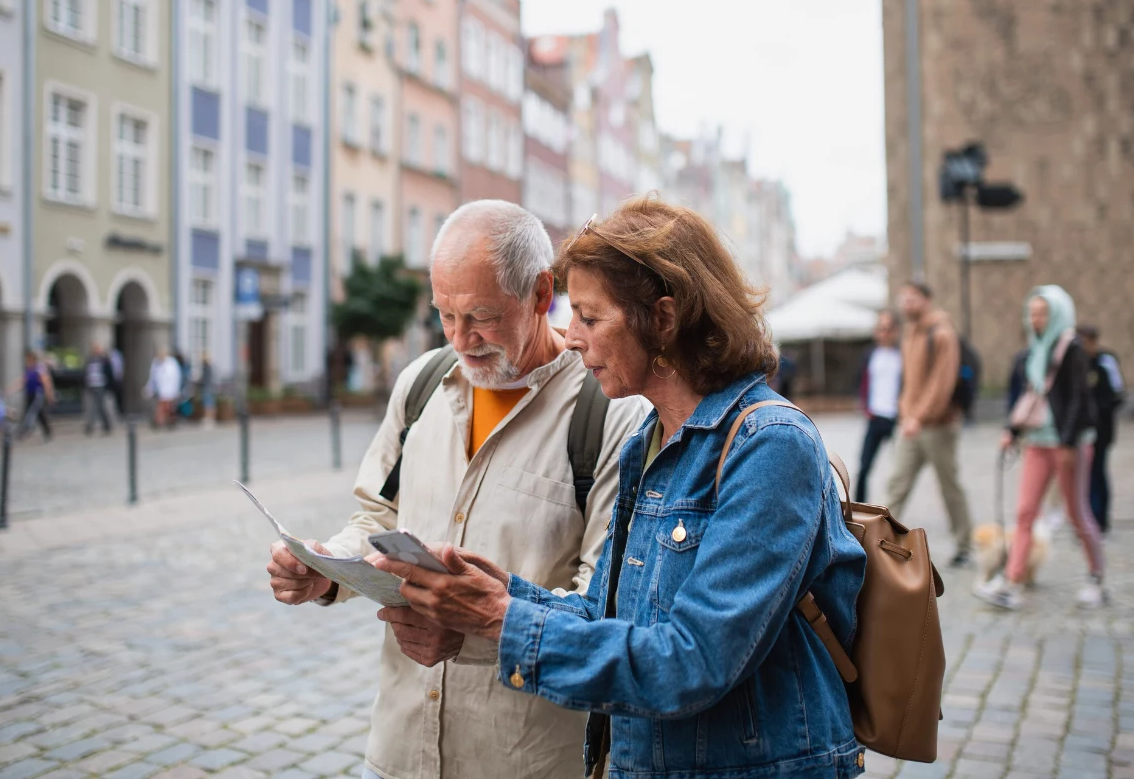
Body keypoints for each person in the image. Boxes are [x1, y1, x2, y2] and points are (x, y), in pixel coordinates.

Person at [368, 198, 867, 779]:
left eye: (588, 317)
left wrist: (501, 619)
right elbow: (602, 614)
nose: (572, 337)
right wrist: (501, 594)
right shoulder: (650, 441)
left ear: (663, 320)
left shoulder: (770, 445)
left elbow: (695, 661)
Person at [264, 200, 650, 779]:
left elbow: (604, 610)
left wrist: (473, 628)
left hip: (524, 760)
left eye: (480, 316)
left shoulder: (611, 415)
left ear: (541, 293)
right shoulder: (420, 385)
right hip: (398, 750)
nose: (461, 339)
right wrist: (327, 567)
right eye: (445, 314)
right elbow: (377, 516)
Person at [977, 286, 1106, 610]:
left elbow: (1079, 397)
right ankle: (1012, 582)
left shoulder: (1072, 347)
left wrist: (1068, 442)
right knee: (1025, 513)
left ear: (1058, 314)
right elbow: (1032, 395)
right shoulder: (1034, 349)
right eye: (1032, 313)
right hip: (1037, 441)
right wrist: (1012, 430)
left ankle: (1096, 578)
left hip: (1067, 444)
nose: (1036, 319)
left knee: (1077, 513)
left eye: (1043, 313)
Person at [883, 282, 973, 567]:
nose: (907, 304)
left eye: (913, 299)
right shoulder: (910, 333)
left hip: (938, 426)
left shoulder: (942, 333)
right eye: (904, 298)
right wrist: (905, 411)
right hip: (910, 425)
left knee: (949, 487)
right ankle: (880, 545)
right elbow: (909, 382)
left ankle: (964, 545)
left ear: (927, 300)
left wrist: (918, 417)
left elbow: (941, 384)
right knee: (896, 485)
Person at [1078, 325, 1123, 534]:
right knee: (1084, 475)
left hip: (1102, 430)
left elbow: (1117, 395)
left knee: (1098, 472)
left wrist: (1095, 411)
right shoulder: (1078, 362)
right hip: (1082, 430)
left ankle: (1100, 518)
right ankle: (1087, 518)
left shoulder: (1105, 362)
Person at [854, 309, 903, 502]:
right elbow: (861, 381)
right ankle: (858, 508)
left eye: (887, 329)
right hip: (875, 417)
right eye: (880, 329)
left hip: (897, 419)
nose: (883, 333)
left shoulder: (903, 355)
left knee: (900, 470)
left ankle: (893, 507)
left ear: (896, 330)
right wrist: (865, 406)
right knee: (864, 467)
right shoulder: (870, 354)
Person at [14, 350, 54, 442]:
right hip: (30, 394)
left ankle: (24, 431)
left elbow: (46, 382)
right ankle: (47, 432)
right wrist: (12, 389)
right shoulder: (29, 369)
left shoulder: (39, 368)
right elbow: (23, 381)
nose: (27, 360)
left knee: (31, 413)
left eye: (28, 358)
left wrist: (49, 396)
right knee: (39, 414)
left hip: (37, 395)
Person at [83, 343, 114, 436]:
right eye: (95, 349)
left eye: (98, 349)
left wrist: (109, 387)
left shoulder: (105, 361)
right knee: (90, 407)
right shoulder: (89, 360)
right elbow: (85, 373)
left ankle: (106, 426)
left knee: (101, 407)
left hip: (101, 386)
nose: (96, 351)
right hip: (91, 385)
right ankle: (89, 426)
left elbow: (110, 373)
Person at [146, 349, 182, 429]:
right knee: (161, 407)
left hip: (170, 390)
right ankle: (160, 422)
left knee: (169, 407)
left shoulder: (172, 363)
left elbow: (176, 377)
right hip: (161, 390)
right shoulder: (156, 363)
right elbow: (153, 378)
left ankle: (170, 422)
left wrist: (176, 390)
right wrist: (149, 388)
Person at [199, 351, 216, 428]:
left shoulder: (206, 367)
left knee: (207, 404)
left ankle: (209, 419)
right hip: (210, 386)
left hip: (207, 387)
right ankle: (210, 418)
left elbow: (205, 378)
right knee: (210, 403)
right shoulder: (209, 366)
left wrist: (199, 381)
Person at [109, 345, 126, 416]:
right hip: (114, 379)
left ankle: (119, 409)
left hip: (118, 379)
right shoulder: (111, 356)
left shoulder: (118, 356)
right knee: (112, 396)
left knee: (118, 396)